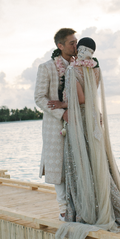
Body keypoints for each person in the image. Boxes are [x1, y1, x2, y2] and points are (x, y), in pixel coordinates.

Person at [50, 37, 120, 239]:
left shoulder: (73, 69)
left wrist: (63, 104)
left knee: (82, 164)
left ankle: (86, 208)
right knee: (98, 164)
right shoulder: (95, 69)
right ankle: (115, 206)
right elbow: (92, 96)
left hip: (80, 122)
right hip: (92, 120)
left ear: (79, 50)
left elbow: (79, 98)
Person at [34, 28, 77, 221]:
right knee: (57, 167)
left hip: (78, 123)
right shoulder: (47, 67)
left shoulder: (80, 66)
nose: (76, 46)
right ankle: (63, 209)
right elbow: (39, 98)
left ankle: (80, 204)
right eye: (72, 43)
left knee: (77, 164)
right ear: (60, 46)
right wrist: (62, 113)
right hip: (54, 125)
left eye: (76, 42)